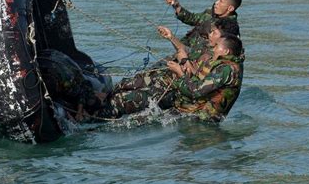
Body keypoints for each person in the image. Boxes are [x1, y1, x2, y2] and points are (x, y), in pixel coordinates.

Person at [90, 27, 243, 122]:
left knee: (133, 114)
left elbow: (195, 91)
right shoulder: (223, 65)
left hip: (197, 117)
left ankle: (90, 119)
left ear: (226, 51)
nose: (213, 48)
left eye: (217, 46)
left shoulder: (226, 69)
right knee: (135, 115)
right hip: (186, 108)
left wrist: (180, 72)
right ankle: (94, 114)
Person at [163, 0, 242, 47]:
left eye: (220, 1)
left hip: (197, 62)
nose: (216, 3)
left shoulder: (229, 28)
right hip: (184, 52)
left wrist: (172, 38)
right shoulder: (210, 13)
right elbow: (192, 18)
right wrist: (175, 3)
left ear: (230, 8)